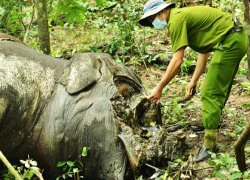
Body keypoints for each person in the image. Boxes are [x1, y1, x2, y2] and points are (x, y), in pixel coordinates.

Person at [139, 0, 248, 162]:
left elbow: (177, 60)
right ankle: (210, 121)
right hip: (235, 38)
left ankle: (210, 145)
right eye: (149, 21)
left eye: (152, 19)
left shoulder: (175, 20)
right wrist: (193, 81)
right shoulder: (182, 17)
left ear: (162, 12)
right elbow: (203, 52)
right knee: (218, 88)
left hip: (230, 41)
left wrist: (159, 87)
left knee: (210, 93)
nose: (153, 23)